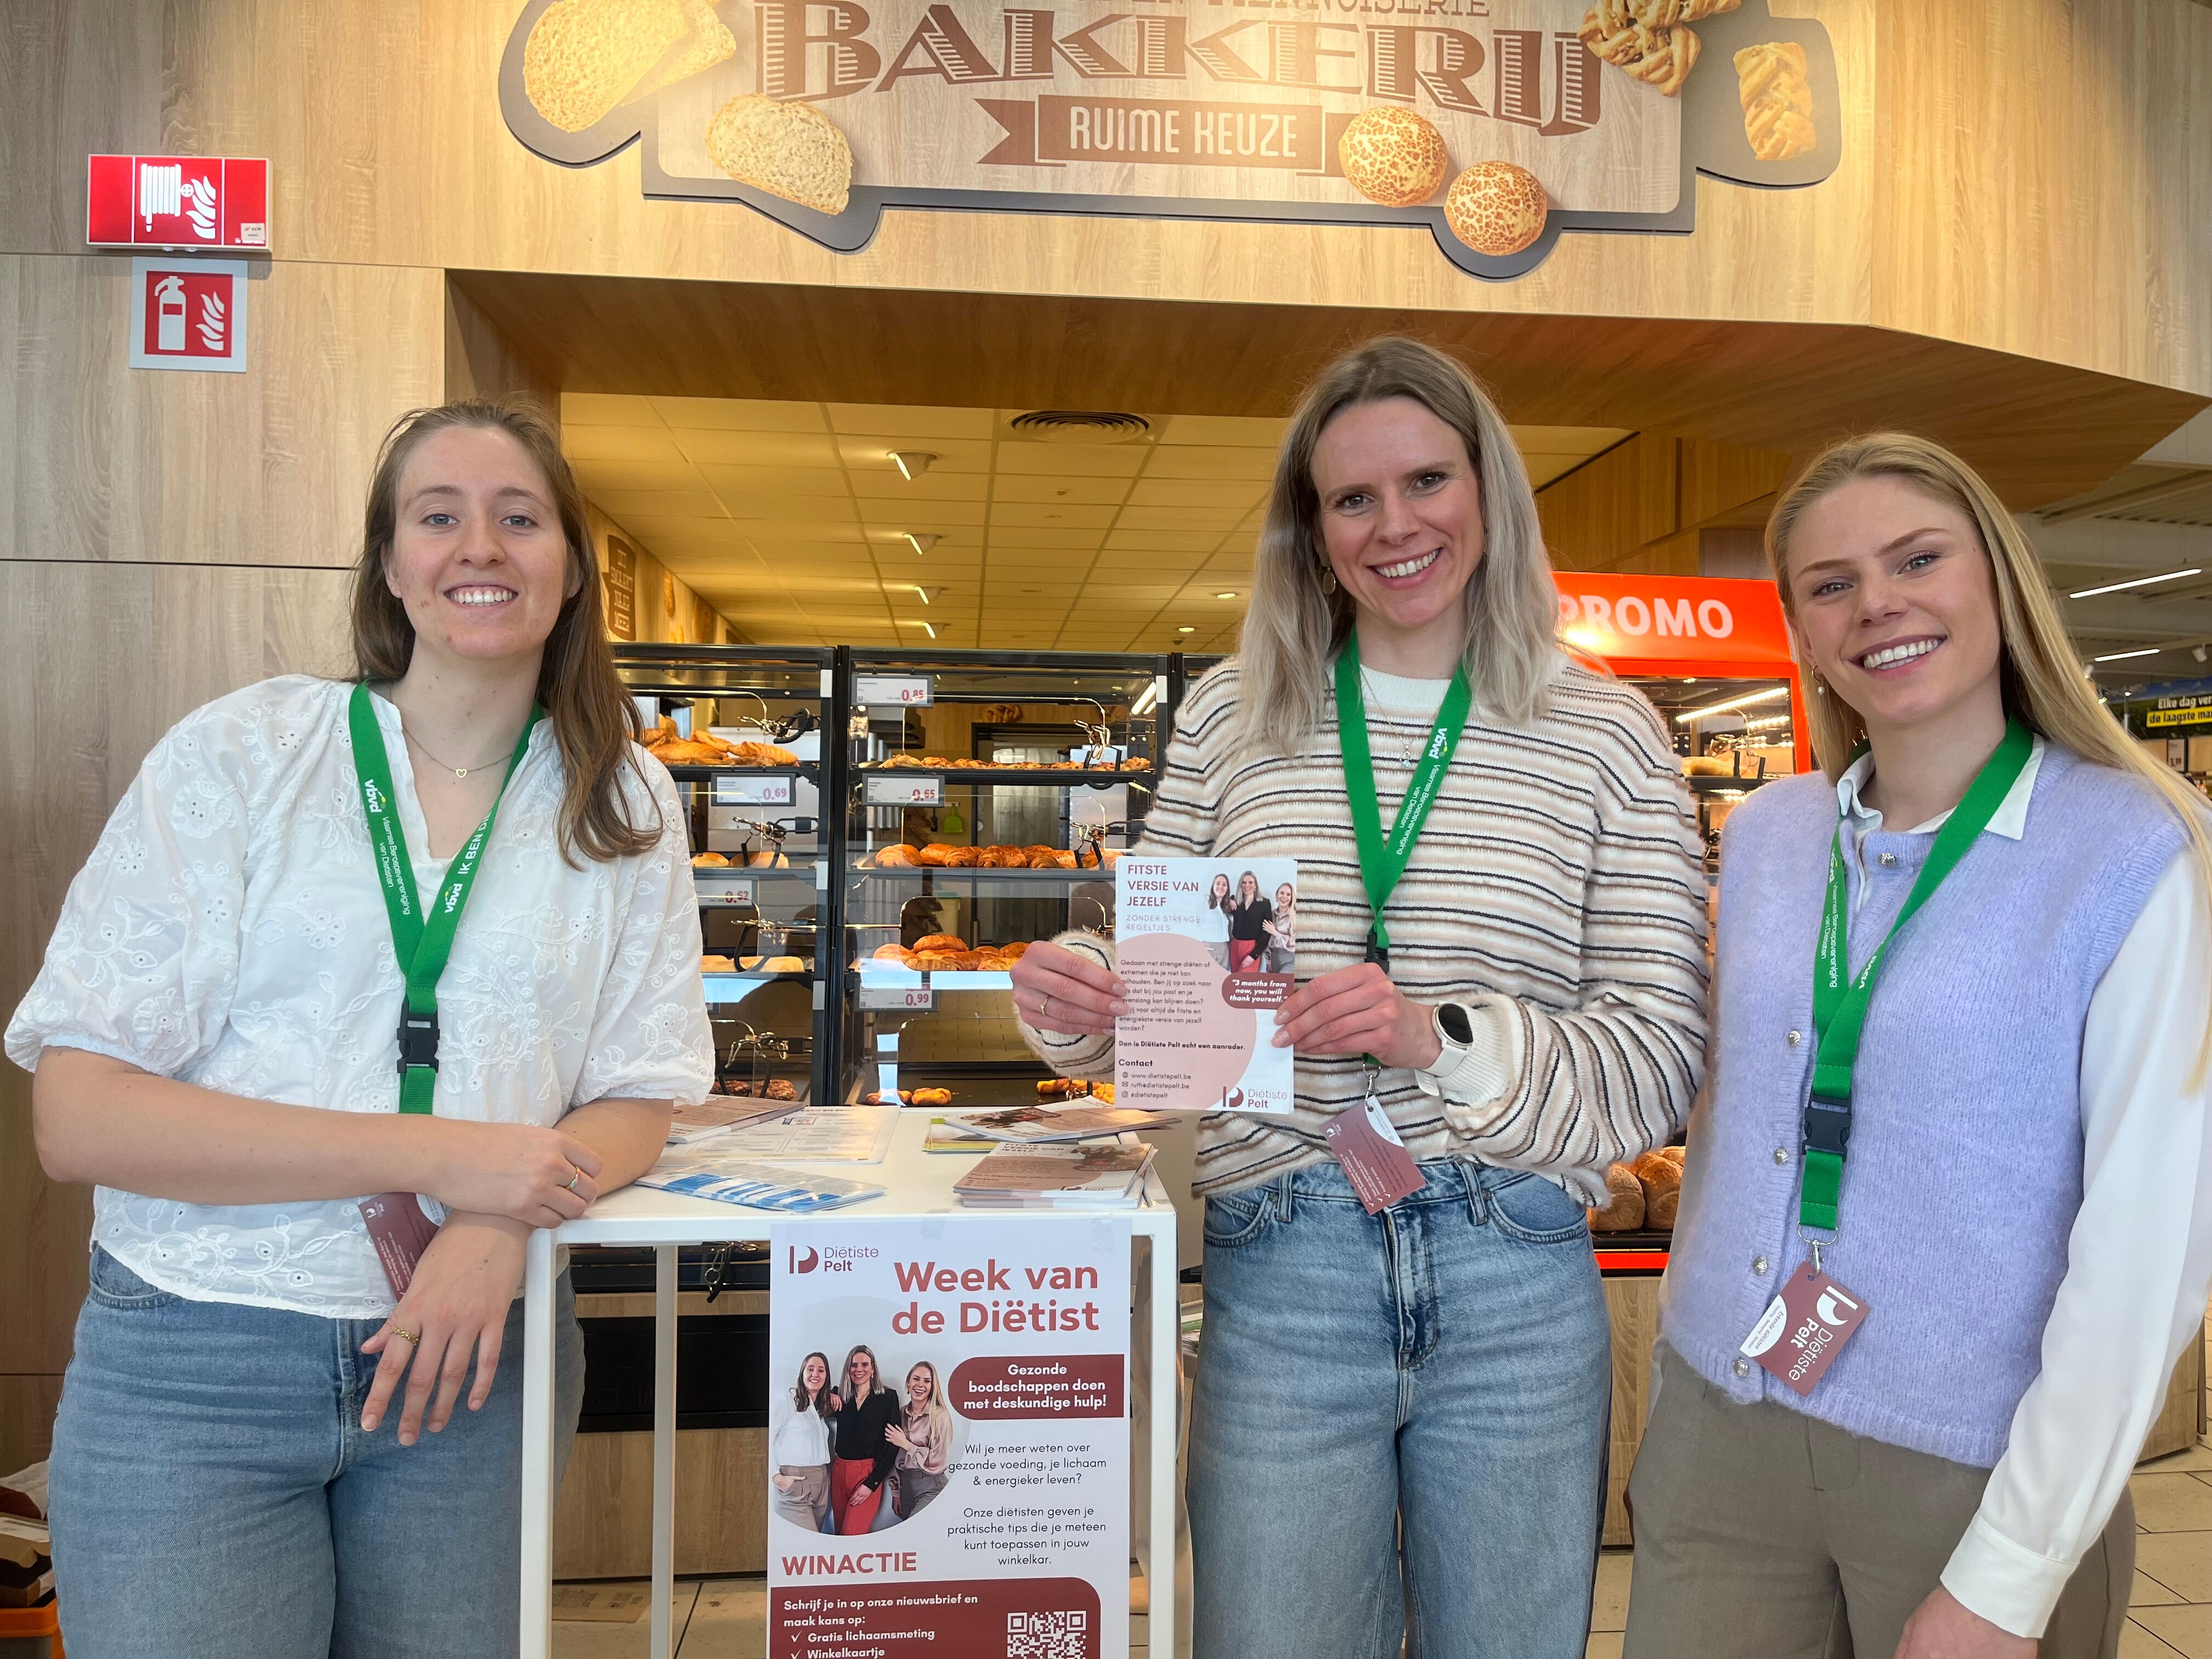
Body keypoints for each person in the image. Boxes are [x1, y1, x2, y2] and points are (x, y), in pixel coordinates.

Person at [1008, 336, 1707, 1659]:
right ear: (1312, 529)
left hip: (1514, 1263)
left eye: (1428, 480)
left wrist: (1436, 1037)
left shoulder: (1607, 735)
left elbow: (1657, 1057)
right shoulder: (1234, 715)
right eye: (1353, 498)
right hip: (1284, 1258)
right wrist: (1080, 997)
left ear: (1490, 491)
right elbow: (1159, 987)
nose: (1396, 526)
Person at [7, 394, 714, 1659]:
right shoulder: (246, 754)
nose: (480, 546)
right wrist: (446, 1157)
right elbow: (79, 1114)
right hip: (199, 1362)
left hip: (478, 1363)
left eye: (520, 518)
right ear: (390, 565)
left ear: (571, 569)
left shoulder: (621, 799)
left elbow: (638, 1093)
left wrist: (497, 1224)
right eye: (438, 517)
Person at [1624, 434, 2212, 1659]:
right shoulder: (1772, 834)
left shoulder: (2132, 849)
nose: (1876, 604)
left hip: (1970, 1463)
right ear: (1801, 627)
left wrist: (2010, 1574)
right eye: (1830, 583)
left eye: (1916, 560)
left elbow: (2148, 1246)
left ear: (1996, 576)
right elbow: (1732, 1109)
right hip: (1723, 1429)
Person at [825, 1344, 899, 1534]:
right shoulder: (841, 1397)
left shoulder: (888, 1398)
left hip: (868, 1473)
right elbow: (814, 1406)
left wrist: (872, 1484)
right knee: (840, 1534)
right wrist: (828, 1395)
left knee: (851, 1535)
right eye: (854, 1365)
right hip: (839, 1471)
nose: (859, 1370)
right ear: (848, 1369)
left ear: (873, 1369)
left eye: (865, 1365)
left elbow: (892, 1447)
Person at [771, 1352, 836, 1532]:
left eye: (821, 1370)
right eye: (811, 1369)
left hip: (821, 1483)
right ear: (802, 1373)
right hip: (796, 1482)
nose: (816, 1374)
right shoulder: (787, 1401)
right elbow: (765, 1439)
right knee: (808, 1542)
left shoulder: (819, 1408)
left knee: (811, 1543)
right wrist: (776, 1477)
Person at [886, 1360, 953, 1520]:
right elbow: (892, 1455)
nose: (920, 1385)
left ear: (932, 1387)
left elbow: (937, 1461)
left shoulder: (940, 1416)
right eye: (916, 1379)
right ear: (908, 1383)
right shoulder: (900, 1413)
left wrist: (906, 1444)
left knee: (915, 1530)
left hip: (932, 1485)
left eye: (927, 1381)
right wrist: (896, 1493)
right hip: (906, 1487)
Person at [1224, 869, 1273, 973]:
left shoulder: (1264, 904)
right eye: (1244, 883)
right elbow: (1219, 905)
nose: (1247, 885)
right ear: (1240, 885)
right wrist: (1229, 900)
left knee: (1245, 979)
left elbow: (1267, 932)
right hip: (1235, 946)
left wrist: (1254, 955)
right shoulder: (1236, 902)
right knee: (1235, 980)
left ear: (1256, 886)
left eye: (1251, 883)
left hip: (1252, 947)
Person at [1198, 872, 1234, 968]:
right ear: (1213, 886)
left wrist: (1230, 900)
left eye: (1224, 885)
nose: (1221, 887)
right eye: (1218, 884)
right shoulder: (1205, 902)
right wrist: (1201, 946)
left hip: (1224, 948)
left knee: (1222, 977)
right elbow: (1194, 924)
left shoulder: (1224, 907)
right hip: (1210, 948)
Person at [1262, 881, 1297, 973]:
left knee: (1283, 981)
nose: (1284, 897)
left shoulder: (1295, 917)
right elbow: (1266, 939)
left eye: (1288, 895)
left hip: (1290, 958)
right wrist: (1268, 961)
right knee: (1275, 982)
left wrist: (1275, 932)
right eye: (1282, 893)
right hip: (1274, 958)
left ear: (1292, 898)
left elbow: (1294, 943)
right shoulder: (1271, 914)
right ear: (1277, 895)